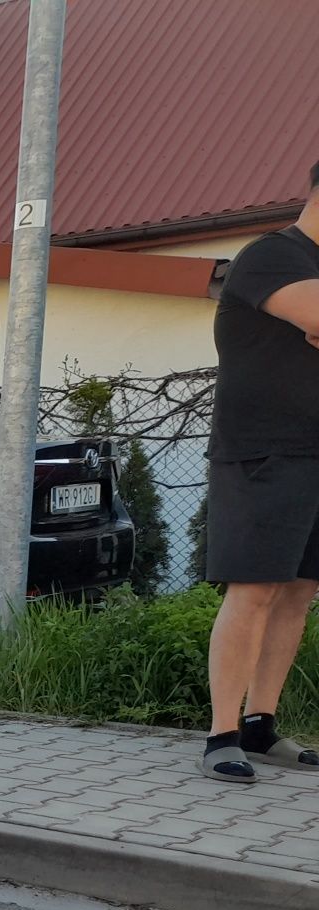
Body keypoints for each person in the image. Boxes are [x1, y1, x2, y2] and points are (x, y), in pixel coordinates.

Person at [201, 160, 319, 781]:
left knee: (299, 591)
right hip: (264, 450)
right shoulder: (272, 258)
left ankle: (261, 726)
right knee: (254, 588)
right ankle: (221, 735)